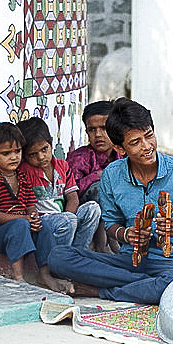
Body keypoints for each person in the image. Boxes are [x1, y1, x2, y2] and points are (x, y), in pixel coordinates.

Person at [47, 98, 173, 304]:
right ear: (120, 148)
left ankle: (102, 291)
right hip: (127, 260)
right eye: (135, 142)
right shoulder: (111, 175)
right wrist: (125, 234)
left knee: (171, 280)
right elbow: (111, 224)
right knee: (58, 256)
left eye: (149, 136)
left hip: (171, 262)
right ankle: (145, 284)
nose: (147, 147)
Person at [0, 122, 70, 292]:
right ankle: (18, 276)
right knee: (20, 225)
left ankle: (45, 274)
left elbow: (30, 204)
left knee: (44, 225)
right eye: (6, 153)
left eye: (17, 151)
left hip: (21, 226)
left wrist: (33, 216)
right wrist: (24, 219)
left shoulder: (22, 177)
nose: (14, 157)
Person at [17, 117, 102, 252]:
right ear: (24, 155)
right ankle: (62, 258)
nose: (41, 157)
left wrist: (68, 217)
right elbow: (28, 205)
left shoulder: (62, 165)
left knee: (92, 209)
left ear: (51, 142)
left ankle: (77, 252)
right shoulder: (25, 171)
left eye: (44, 149)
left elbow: (73, 198)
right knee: (67, 221)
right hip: (44, 222)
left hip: (65, 218)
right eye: (33, 154)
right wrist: (67, 220)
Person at [66, 100, 122, 253]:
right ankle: (102, 242)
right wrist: (96, 176)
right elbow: (72, 192)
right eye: (92, 129)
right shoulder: (80, 157)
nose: (98, 135)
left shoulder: (123, 157)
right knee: (100, 188)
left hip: (117, 211)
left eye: (103, 128)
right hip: (87, 210)